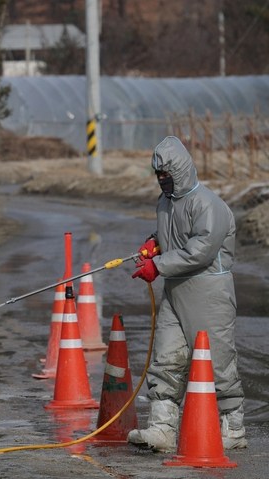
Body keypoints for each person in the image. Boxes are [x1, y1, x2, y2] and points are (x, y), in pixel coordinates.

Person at [128, 136, 246, 452]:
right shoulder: (165, 203)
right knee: (166, 358)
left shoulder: (208, 204)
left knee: (218, 359)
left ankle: (232, 428)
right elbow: (173, 236)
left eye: (167, 174)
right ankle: (162, 429)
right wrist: (154, 243)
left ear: (180, 170)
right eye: (158, 175)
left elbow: (201, 250)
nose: (162, 180)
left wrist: (158, 265)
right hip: (175, 291)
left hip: (209, 293)